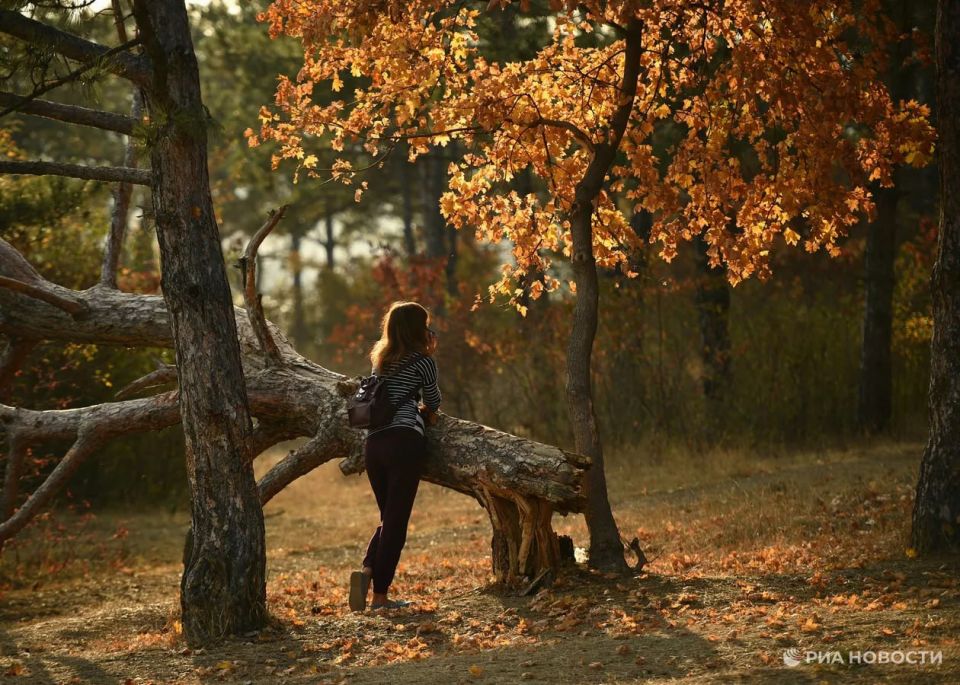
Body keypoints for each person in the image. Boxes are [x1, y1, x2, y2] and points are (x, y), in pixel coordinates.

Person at [349, 301, 441, 611]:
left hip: (373, 445)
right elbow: (433, 400)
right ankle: (380, 597)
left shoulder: (380, 361)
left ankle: (367, 571)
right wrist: (426, 411)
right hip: (404, 442)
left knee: (389, 517)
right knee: (396, 522)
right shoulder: (423, 361)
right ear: (418, 329)